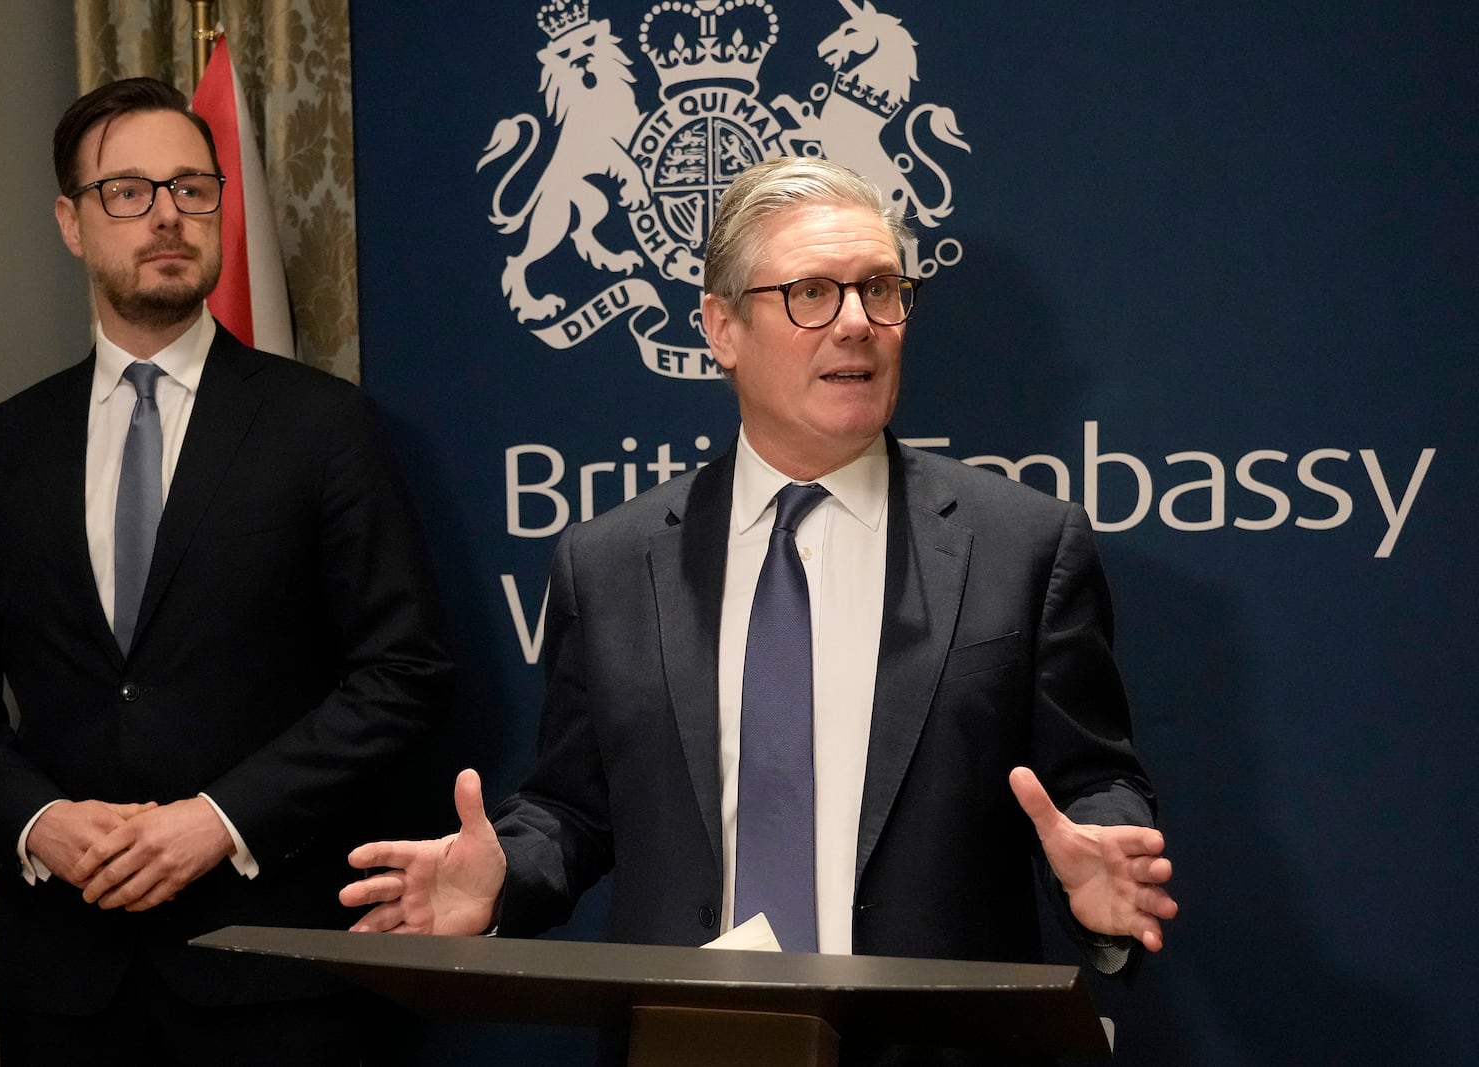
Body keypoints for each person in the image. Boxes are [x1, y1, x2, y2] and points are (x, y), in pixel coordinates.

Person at [340, 156, 1176, 1060]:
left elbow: (1091, 777)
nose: (857, 323)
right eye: (813, 292)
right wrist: (501, 877)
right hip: (694, 1042)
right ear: (721, 328)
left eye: (882, 290)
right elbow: (574, 807)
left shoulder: (1024, 545)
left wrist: (1104, 858)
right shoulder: (611, 562)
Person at [0, 77, 450, 1065]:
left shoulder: (326, 428)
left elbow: (399, 672)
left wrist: (221, 818)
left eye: (194, 189)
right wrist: (36, 821)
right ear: (70, 221)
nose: (166, 215)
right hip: (64, 978)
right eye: (129, 191)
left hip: (275, 968)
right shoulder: (0, 448)